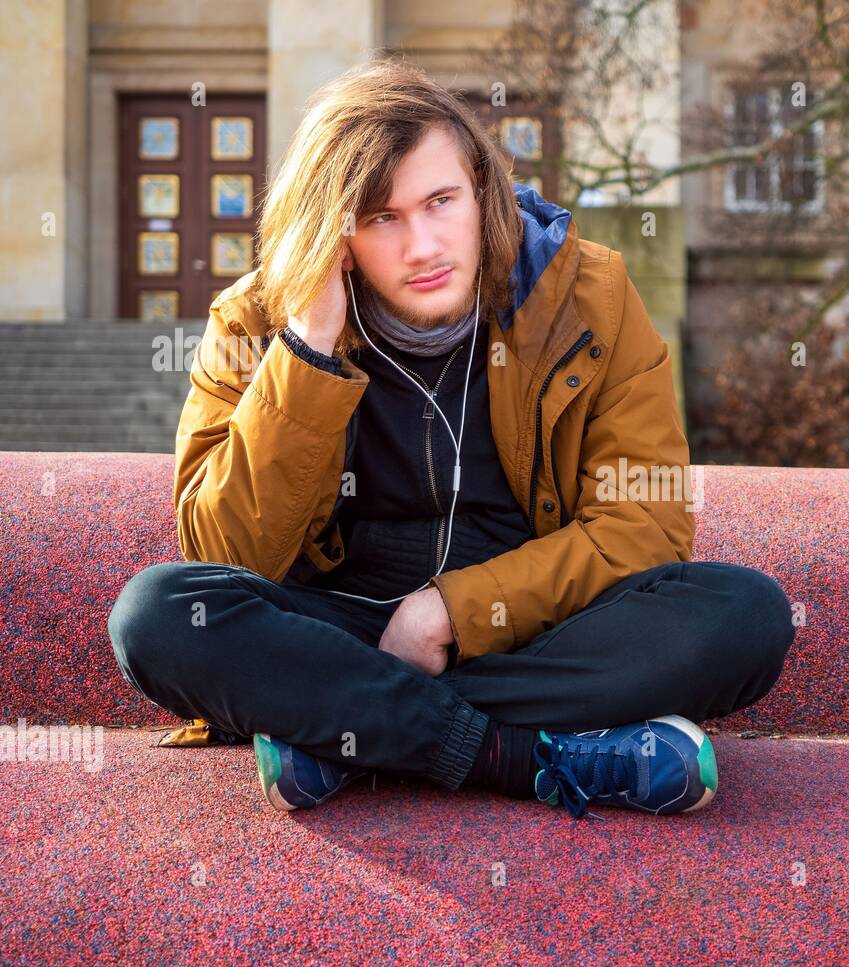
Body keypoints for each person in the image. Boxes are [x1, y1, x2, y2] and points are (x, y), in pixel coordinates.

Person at [107, 56, 795, 822]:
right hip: (337, 628)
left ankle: (346, 735)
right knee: (157, 614)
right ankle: (527, 755)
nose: (425, 246)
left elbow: (645, 525)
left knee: (746, 614)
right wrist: (306, 350)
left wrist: (452, 613)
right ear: (333, 232)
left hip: (529, 634)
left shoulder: (585, 296)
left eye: (441, 201)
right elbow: (225, 558)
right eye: (382, 218)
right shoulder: (254, 324)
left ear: (480, 189)